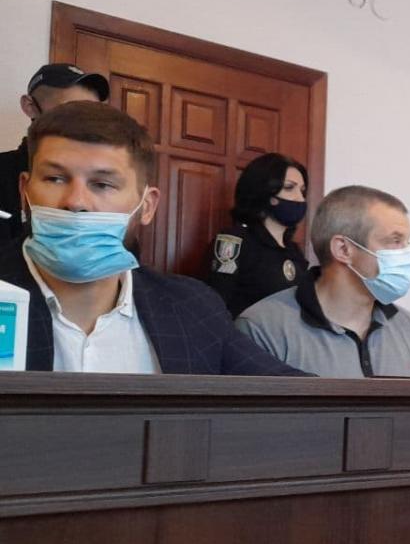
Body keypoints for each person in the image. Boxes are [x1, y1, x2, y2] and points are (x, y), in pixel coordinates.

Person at [0, 101, 304, 375]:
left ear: (147, 206)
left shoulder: (194, 307)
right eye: (55, 178)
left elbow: (297, 396)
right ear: (24, 192)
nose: (76, 201)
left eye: (103, 184)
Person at [236, 185, 410, 378]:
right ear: (343, 249)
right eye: (395, 241)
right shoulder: (263, 328)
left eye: (407, 242)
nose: (407, 254)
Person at [0, 64, 109, 244]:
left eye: (94, 113)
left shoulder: (108, 180)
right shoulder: (3, 171)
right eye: (71, 111)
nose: (86, 123)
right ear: (30, 106)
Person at [207, 153, 310, 317]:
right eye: (289, 188)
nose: (300, 198)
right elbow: (215, 306)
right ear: (265, 192)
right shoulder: (233, 242)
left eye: (302, 191)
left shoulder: (294, 251)